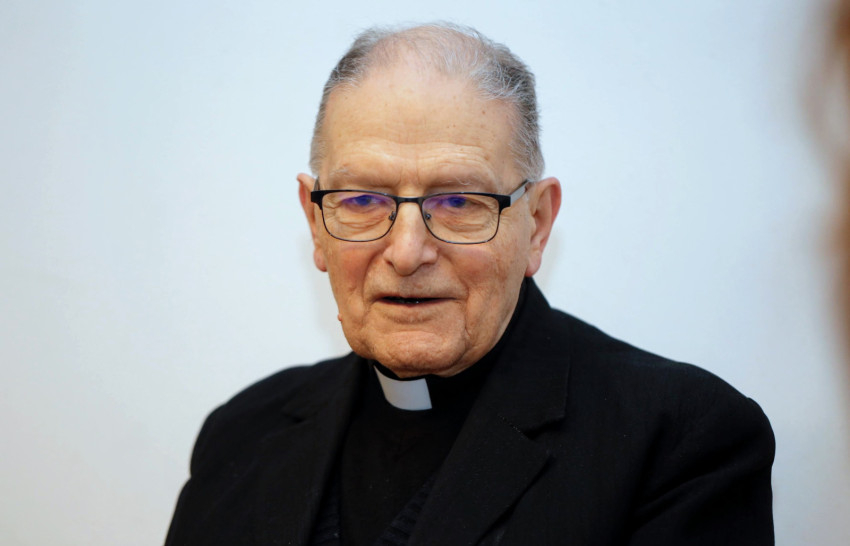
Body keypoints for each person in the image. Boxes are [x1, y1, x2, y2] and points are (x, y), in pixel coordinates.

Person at [165, 23, 775, 545]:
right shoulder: (239, 435)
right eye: (362, 200)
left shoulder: (679, 444)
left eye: (459, 201)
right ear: (315, 223)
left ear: (536, 224)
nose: (407, 252)